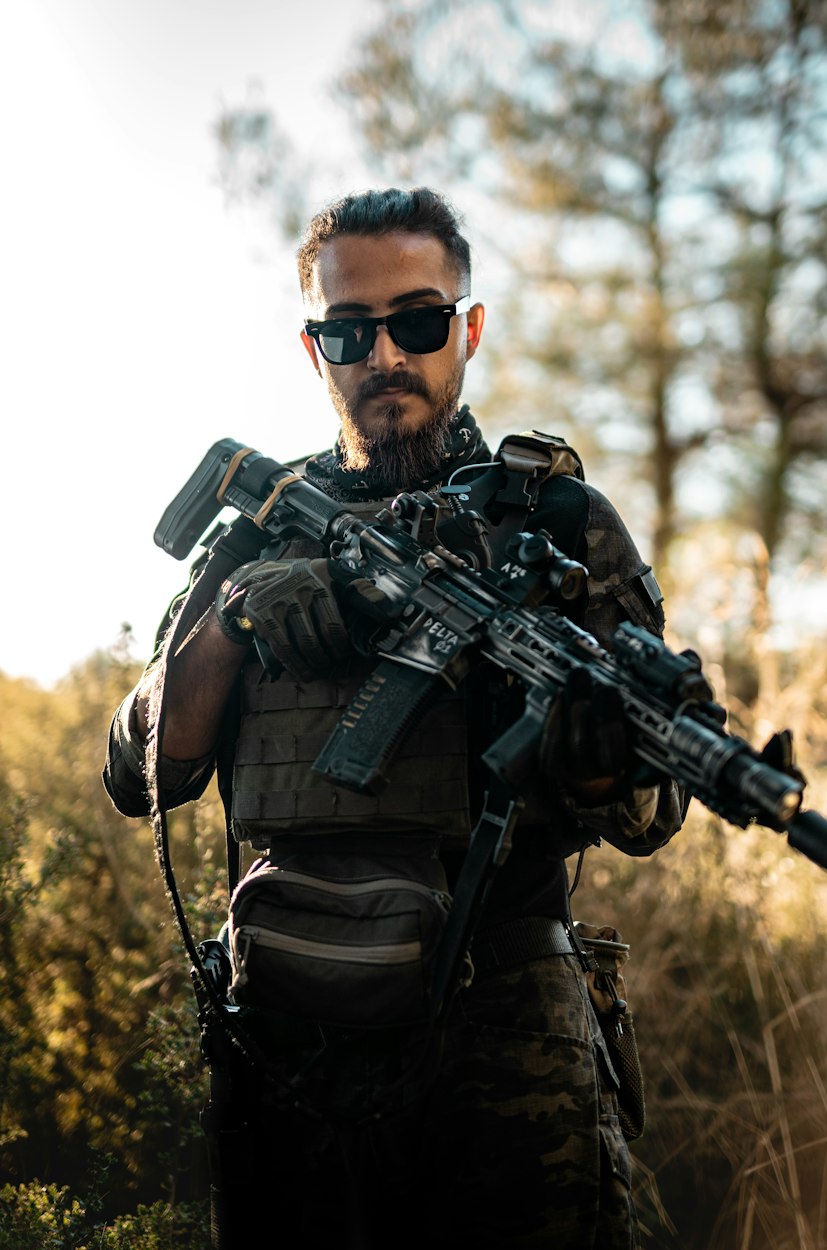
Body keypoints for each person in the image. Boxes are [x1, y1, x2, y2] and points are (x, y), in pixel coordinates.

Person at [104, 187, 685, 1249]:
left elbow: (651, 813)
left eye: (417, 321)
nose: (384, 354)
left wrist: (602, 756)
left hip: (507, 1029)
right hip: (284, 1026)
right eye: (348, 330)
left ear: (464, 327)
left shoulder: (558, 523)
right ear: (313, 347)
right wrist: (236, 612)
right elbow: (144, 767)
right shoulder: (254, 524)